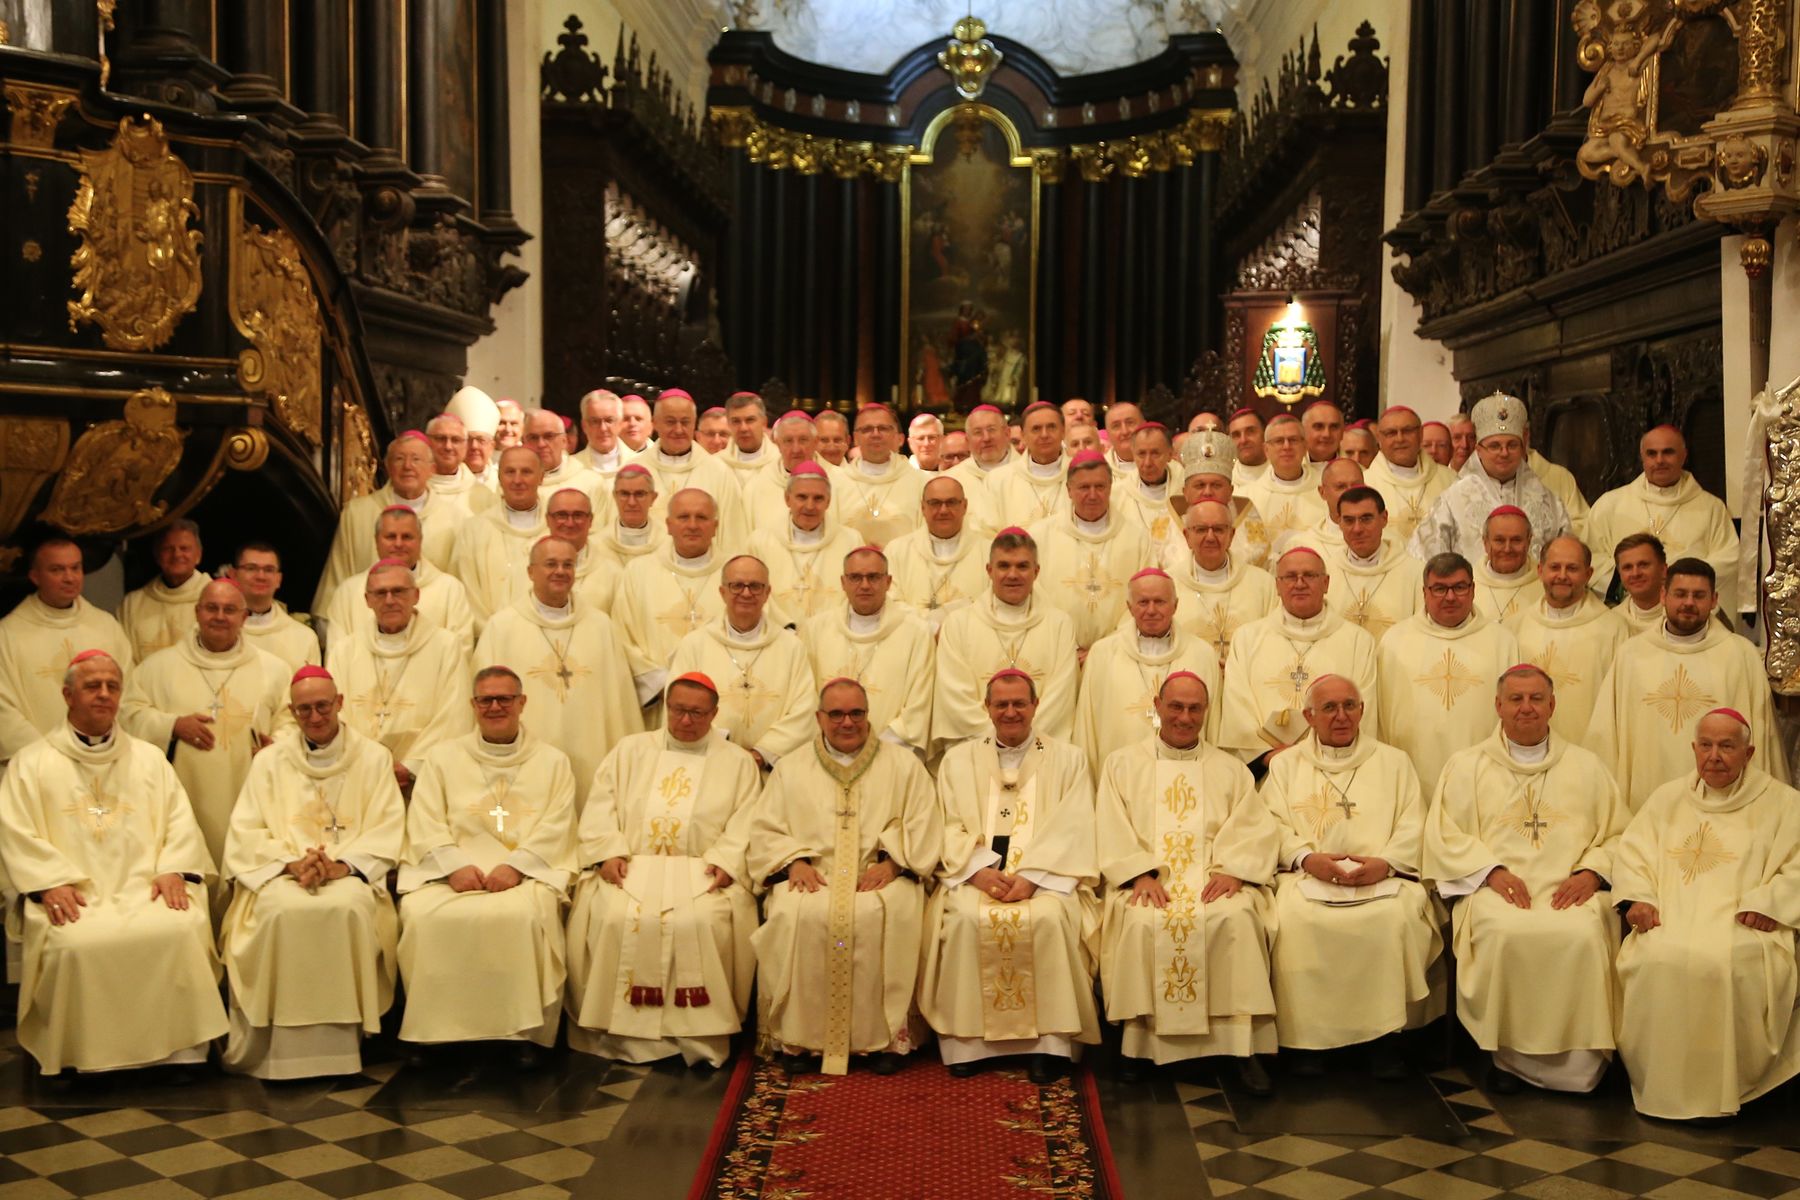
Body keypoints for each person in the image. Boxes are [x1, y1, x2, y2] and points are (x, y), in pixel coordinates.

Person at [0, 650, 225, 1078]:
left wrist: (173, 868)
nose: (104, 695)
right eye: (92, 686)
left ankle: (181, 1053)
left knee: (179, 928)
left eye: (112, 686)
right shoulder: (33, 763)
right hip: (77, 894)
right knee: (74, 944)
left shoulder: (148, 758)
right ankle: (80, 1057)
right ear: (68, 695)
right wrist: (48, 882)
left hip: (145, 888)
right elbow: (14, 832)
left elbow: (179, 818)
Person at [1425, 665, 1628, 1094]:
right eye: (1515, 699)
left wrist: (1591, 873)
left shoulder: (1587, 767)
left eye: (1536, 698)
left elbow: (1618, 834)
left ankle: (1582, 1064)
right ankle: (1509, 1059)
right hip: (1496, 890)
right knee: (1501, 931)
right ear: (1498, 706)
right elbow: (1444, 835)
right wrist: (1490, 872)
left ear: (1552, 705)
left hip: (1568, 889)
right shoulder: (1467, 766)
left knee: (1587, 932)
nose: (1526, 708)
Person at [564, 673, 762, 1067]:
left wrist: (725, 862)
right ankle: (616, 1035)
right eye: (678, 710)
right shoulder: (630, 750)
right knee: (616, 915)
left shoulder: (737, 762)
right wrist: (608, 852)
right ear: (666, 707)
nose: (686, 721)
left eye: (696, 713)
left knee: (701, 920)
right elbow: (600, 806)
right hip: (631, 869)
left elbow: (748, 821)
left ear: (714, 714)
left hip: (702, 873)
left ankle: (697, 1039)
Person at [1097, 672, 1282, 1091]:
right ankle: (1137, 1048)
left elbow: (1254, 827)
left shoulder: (1230, 768)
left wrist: (1235, 869)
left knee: (1235, 919)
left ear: (1206, 711)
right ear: (1158, 706)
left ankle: (1239, 1050)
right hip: (1147, 881)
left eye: (1194, 708)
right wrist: (1139, 874)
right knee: (1143, 922)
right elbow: (1110, 826)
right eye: (1176, 707)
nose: (1184, 717)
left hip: (1212, 879)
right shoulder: (1122, 764)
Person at [1613, 709, 1800, 1122]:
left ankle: (1728, 1087)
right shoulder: (1667, 799)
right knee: (1658, 957)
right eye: (1706, 745)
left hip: (1745, 924)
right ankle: (1663, 1087)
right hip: (1670, 916)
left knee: (1723, 961)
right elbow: (1633, 856)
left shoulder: (1784, 804)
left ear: (1749, 752)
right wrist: (1637, 900)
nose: (1714, 756)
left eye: (1727, 746)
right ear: (1694, 749)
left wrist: (1771, 904)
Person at [748, 679, 941, 1075]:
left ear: (869, 715)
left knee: (887, 913)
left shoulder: (903, 765)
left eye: (856, 713)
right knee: (793, 913)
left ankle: (889, 1040)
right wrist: (793, 863)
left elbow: (925, 823)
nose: (847, 722)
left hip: (880, 875)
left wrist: (894, 864)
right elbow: (765, 829)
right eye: (835, 714)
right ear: (819, 718)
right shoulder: (791, 767)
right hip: (811, 875)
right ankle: (799, 1041)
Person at [219, 666, 405, 1078]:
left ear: (340, 703)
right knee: (280, 910)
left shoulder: (373, 758)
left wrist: (340, 866)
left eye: (323, 706)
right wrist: (293, 863)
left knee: (350, 908)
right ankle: (283, 1052)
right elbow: (245, 830)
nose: (315, 716)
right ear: (292, 712)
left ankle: (345, 1047)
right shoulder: (269, 761)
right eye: (304, 709)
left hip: (348, 876)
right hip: (285, 875)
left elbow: (388, 827)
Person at [922, 670, 1099, 1083]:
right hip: (975, 878)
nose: (1011, 712)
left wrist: (1033, 877)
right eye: (1001, 704)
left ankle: (1048, 1046)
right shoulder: (958, 760)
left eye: (1020, 703)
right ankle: (968, 1042)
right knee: (966, 918)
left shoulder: (1068, 759)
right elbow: (944, 824)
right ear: (987, 708)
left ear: (1036, 706)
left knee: (1051, 919)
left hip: (1044, 880)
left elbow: (1075, 825)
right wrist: (978, 872)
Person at [1260, 675, 1441, 1076]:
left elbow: (1415, 822)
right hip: (1305, 878)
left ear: (1362, 711)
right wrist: (1306, 858)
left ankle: (1385, 1039)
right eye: (1329, 708)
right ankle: (1307, 1043)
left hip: (1383, 878)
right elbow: (1268, 824)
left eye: (1349, 706)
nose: (1340, 716)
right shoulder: (1287, 766)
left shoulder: (1394, 761)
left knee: (1395, 917)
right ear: (1309, 715)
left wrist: (1387, 863)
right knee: (1292, 918)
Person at [397, 666, 578, 1066]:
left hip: (524, 874)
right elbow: (424, 819)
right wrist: (453, 865)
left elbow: (558, 823)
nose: (495, 707)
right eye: (486, 700)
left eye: (505, 699)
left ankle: (520, 1034)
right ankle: (433, 1035)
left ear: (522, 703)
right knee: (423, 915)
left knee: (524, 916)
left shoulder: (552, 761)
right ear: (473, 705)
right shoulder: (443, 758)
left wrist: (517, 866)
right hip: (452, 874)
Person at [1588, 558, 1788, 809]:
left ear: (1714, 600)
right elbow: (1607, 737)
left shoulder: (1740, 655)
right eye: (1680, 594)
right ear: (1664, 595)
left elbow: (1761, 735)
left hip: (1722, 801)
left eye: (1699, 595)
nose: (1689, 603)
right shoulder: (1631, 655)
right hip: (1645, 797)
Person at [120, 579, 291, 868]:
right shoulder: (158, 667)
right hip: (185, 793)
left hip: (250, 787)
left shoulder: (274, 669)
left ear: (244, 617)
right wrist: (172, 726)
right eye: (212, 608)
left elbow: (291, 720)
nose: (220, 617)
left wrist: (277, 746)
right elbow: (128, 713)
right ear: (197, 612)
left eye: (229, 609)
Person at [473, 537, 641, 808]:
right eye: (551, 564)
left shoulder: (600, 626)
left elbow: (620, 702)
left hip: (592, 749)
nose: (560, 571)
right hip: (528, 756)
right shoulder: (502, 627)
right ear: (530, 572)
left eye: (568, 565)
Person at [1376, 552, 1521, 796]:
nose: (1450, 597)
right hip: (1411, 771)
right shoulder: (1394, 641)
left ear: (1473, 590)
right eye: (1440, 589)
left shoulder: (1502, 642)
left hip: (1483, 775)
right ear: (1424, 593)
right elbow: (1380, 715)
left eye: (1459, 587)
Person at [1219, 547, 1379, 767]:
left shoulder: (1359, 641)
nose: (1300, 583)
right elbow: (1237, 709)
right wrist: (1267, 757)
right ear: (1277, 585)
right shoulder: (1247, 638)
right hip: (1267, 768)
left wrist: (1321, 755)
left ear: (1326, 583)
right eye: (1290, 577)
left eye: (1310, 576)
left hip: (1334, 766)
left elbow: (1363, 710)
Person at [326, 560, 472, 797]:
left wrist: (413, 766)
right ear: (367, 600)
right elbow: (334, 714)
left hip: (423, 782)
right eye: (380, 593)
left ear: (416, 595)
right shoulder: (345, 650)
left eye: (399, 591)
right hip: (358, 778)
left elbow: (454, 715)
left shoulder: (446, 646)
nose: (390, 600)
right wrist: (366, 764)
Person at [933, 529, 1082, 746]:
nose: (1013, 574)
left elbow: (1060, 700)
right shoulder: (958, 625)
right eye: (1004, 566)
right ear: (989, 570)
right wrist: (997, 741)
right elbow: (955, 698)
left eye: (1022, 566)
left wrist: (1024, 740)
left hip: (1042, 751)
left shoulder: (1060, 625)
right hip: (975, 752)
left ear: (1036, 571)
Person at [668, 556, 816, 772]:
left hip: (772, 771)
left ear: (767, 593)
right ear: (722, 592)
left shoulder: (791, 647)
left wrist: (762, 754)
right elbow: (678, 706)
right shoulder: (695, 644)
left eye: (755, 586)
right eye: (737, 586)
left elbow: (805, 709)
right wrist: (724, 749)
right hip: (710, 766)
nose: (746, 593)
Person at [0, 539, 133, 766]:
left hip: (103, 759)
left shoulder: (106, 626)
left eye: (75, 568)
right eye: (57, 570)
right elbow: (3, 708)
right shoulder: (8, 633)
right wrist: (47, 759)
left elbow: (128, 692)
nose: (69, 577)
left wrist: (108, 747)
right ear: (35, 576)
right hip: (38, 766)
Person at [1075, 568, 1221, 772]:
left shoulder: (1202, 654)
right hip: (1121, 777)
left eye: (1160, 601)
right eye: (1143, 602)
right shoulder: (1102, 654)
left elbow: (1213, 727)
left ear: (1175, 606)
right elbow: (1086, 727)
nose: (1151, 610)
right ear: (1130, 607)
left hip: (1188, 778)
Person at [1587, 425, 1740, 612]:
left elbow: (1728, 560)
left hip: (1686, 613)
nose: (1659, 460)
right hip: (1627, 614)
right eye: (1652, 454)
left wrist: (1677, 582)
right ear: (1642, 458)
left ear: (1684, 456)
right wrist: (1637, 581)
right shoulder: (1610, 505)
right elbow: (1591, 556)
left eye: (1668, 452)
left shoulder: (1711, 508)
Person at [801, 547, 935, 754]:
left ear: (888, 582)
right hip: (826, 753)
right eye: (855, 577)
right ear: (843, 583)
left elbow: (918, 706)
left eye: (873, 577)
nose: (865, 585)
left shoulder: (916, 633)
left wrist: (877, 751)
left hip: (891, 757)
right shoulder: (815, 630)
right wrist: (832, 747)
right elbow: (805, 698)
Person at [1411, 393, 1569, 564]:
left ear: (1523, 447)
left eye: (1512, 445)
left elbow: (1566, 559)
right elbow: (1425, 561)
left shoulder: (1550, 503)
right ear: (1478, 449)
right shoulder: (1451, 501)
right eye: (1495, 446)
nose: (1504, 453)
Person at [313, 432, 455, 613]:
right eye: (399, 459)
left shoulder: (453, 518)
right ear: (387, 466)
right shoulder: (357, 513)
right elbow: (338, 573)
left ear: (432, 469)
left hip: (432, 620)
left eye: (416, 459)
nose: (407, 466)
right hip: (363, 621)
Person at [614, 489, 727, 712]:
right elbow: (621, 636)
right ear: (668, 524)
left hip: (719, 699)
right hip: (660, 698)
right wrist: (664, 684)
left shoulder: (735, 573)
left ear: (715, 526)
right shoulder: (638, 572)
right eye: (683, 517)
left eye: (702, 517)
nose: (692, 525)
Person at [1029, 450, 1153, 655]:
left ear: (1111, 487)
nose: (1093, 495)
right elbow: (1035, 596)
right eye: (1084, 487)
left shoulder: (1137, 538)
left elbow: (1147, 597)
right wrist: (1066, 644)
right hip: (1056, 649)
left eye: (1100, 486)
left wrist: (1107, 648)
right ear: (1069, 490)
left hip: (1119, 652)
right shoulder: (1040, 536)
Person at [1511, 536, 1630, 742]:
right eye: (1555, 567)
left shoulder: (1612, 629)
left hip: (1590, 751)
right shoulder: (1516, 627)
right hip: (1527, 748)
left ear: (1588, 574)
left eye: (1572, 568)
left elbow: (1621, 703)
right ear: (1540, 571)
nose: (1562, 576)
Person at [322, 505, 475, 654]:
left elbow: (460, 653)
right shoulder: (348, 593)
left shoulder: (450, 590)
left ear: (420, 540)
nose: (398, 544)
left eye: (407, 537)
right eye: (390, 536)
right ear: (376, 541)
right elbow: (337, 654)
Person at [746, 461, 863, 622]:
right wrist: (784, 627)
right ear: (787, 499)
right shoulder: (760, 542)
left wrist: (827, 628)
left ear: (828, 501)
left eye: (818, 498)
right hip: (777, 636)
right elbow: (752, 594)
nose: (810, 506)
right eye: (802, 497)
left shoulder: (850, 541)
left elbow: (856, 594)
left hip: (834, 633)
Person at [1168, 501, 1277, 666]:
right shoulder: (1167, 585)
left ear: (1231, 535)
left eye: (1218, 529)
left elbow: (1275, 643)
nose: (1210, 537)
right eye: (1201, 529)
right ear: (1187, 536)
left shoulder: (1263, 584)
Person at [637, 389, 748, 549]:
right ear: (655, 423)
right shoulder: (635, 471)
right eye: (670, 422)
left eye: (685, 422)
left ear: (694, 423)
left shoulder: (719, 472)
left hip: (706, 569)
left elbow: (733, 536)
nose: (678, 430)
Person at [451, 446, 549, 626]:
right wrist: (494, 633)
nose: (517, 480)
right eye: (510, 472)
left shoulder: (555, 528)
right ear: (499, 478)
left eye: (526, 472)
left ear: (541, 477)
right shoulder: (474, 529)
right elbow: (467, 591)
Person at [885, 476, 989, 629]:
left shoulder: (988, 551)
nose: (943, 510)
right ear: (923, 508)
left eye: (951, 502)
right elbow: (889, 602)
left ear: (965, 506)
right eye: (935, 503)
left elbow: (994, 604)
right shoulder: (897, 551)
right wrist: (931, 628)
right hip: (914, 640)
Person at [1321, 486, 1418, 641]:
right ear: (1339, 522)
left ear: (1384, 518)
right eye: (1349, 520)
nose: (1357, 529)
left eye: (1366, 519)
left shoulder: (1415, 573)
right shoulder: (1326, 573)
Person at [831, 404, 927, 547]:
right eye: (867, 429)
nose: (875, 434)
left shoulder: (920, 482)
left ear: (896, 436)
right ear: (856, 438)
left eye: (883, 428)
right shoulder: (835, 483)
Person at [1176, 431, 1271, 568]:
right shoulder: (1164, 532)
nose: (1208, 492)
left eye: (1216, 485)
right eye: (1200, 485)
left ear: (1230, 491)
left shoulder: (1253, 533)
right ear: (1185, 492)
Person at [119, 520, 209, 660]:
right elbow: (125, 658)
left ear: (198, 555)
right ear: (157, 555)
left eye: (184, 548)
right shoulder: (133, 603)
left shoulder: (216, 600)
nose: (177, 555)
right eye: (168, 549)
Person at [581, 466, 667, 612]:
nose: (632, 502)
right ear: (614, 496)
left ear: (653, 498)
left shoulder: (667, 545)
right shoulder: (595, 546)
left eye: (639, 494)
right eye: (624, 494)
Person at [232, 542, 322, 672]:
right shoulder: (219, 632)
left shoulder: (304, 637)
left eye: (268, 570)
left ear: (278, 579)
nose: (260, 576)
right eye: (251, 568)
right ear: (234, 575)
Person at [1365, 406, 1451, 542]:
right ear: (1379, 439)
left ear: (1421, 434)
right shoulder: (1365, 483)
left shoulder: (1450, 480)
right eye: (1391, 433)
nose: (1400, 439)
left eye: (1407, 431)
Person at [1239, 414, 1325, 539]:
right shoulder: (1246, 497)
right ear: (1266, 449)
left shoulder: (1326, 491)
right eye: (1279, 441)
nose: (1286, 447)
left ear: (1305, 446)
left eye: (1293, 440)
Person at [988, 401, 1071, 525]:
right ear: (1023, 435)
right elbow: (986, 530)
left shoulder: (1081, 475)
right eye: (1036, 429)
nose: (1044, 435)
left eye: (1051, 427)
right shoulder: (998, 480)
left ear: (1063, 431)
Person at [743, 410, 821, 532]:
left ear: (815, 442)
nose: (796, 449)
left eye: (803, 440)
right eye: (788, 441)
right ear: (778, 444)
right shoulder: (755, 486)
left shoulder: (840, 482)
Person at [1116, 422, 1185, 561]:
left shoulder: (1185, 492)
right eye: (1141, 454)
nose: (1147, 462)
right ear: (1133, 454)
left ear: (1170, 454)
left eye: (1155, 453)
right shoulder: (1117, 495)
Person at [523, 408, 607, 512]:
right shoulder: (514, 485)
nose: (541, 444)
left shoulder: (591, 483)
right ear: (523, 442)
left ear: (564, 441)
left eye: (549, 436)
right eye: (533, 437)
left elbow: (599, 525)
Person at [1473, 506, 1544, 625]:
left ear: (1529, 541)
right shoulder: (1467, 585)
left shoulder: (1545, 585)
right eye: (1499, 540)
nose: (1507, 549)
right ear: (1485, 543)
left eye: (1516, 540)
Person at [424, 413, 498, 517]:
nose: (448, 447)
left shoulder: (483, 494)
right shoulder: (414, 487)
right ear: (427, 441)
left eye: (455, 440)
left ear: (465, 445)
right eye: (440, 438)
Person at [946, 403, 1019, 508]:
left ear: (1007, 433)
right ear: (967, 441)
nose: (986, 438)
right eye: (977, 432)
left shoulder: (1029, 473)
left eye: (991, 430)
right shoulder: (951, 480)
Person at [445, 385, 503, 488]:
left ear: (492, 446)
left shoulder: (504, 483)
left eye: (481, 440)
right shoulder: (443, 482)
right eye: (468, 439)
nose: (474, 446)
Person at [1612, 531, 1671, 632]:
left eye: (1643, 565)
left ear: (1663, 570)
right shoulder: (1611, 621)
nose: (1635, 573)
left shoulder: (1683, 617)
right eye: (1627, 567)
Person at [722, 391, 776, 482]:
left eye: (750, 420)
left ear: (764, 423)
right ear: (728, 424)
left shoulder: (779, 462)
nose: (743, 428)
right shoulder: (716, 464)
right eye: (736, 421)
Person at [577, 388, 630, 478]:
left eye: (609, 420)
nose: (603, 428)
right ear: (584, 426)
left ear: (620, 423)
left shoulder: (638, 462)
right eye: (595, 421)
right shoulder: (572, 468)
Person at [1227, 407, 1269, 485]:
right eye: (1236, 435)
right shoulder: (1226, 481)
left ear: (1265, 434)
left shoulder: (1282, 474)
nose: (1243, 440)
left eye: (1250, 432)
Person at [1103, 401, 1145, 480]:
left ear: (1144, 425)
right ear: (1108, 433)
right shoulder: (1098, 470)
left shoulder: (1166, 467)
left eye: (1130, 423)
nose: (1124, 431)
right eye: (1116, 426)